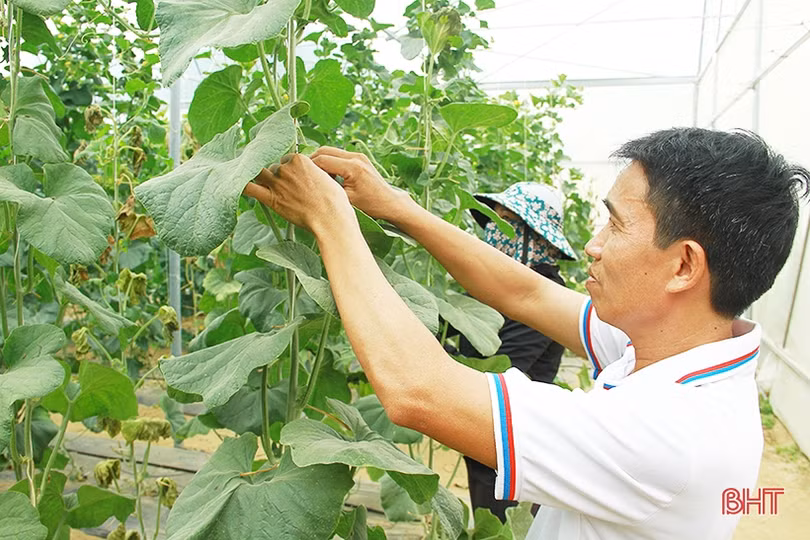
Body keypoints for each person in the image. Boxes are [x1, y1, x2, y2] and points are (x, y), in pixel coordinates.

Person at [243, 128, 809, 539]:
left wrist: (329, 219)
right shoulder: (671, 346)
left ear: (683, 267)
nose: (592, 243)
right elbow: (526, 293)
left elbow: (417, 390)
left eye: (615, 222)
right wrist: (399, 209)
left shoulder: (670, 435)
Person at [447, 183, 575, 521]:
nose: (494, 231)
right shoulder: (500, 295)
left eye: (506, 221)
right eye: (493, 221)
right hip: (495, 440)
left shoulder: (548, 297)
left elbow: (500, 369)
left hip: (520, 450)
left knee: (507, 526)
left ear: (535, 238)